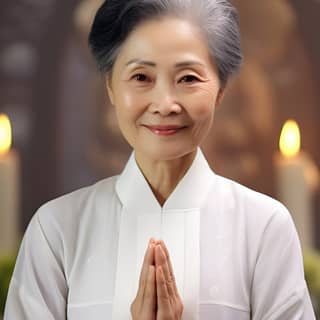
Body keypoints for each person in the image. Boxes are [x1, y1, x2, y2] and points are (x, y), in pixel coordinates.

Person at [4, 0, 316, 319]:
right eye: (141, 77)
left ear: (221, 89)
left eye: (188, 79)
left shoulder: (264, 227)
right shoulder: (57, 229)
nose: (165, 104)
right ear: (110, 87)